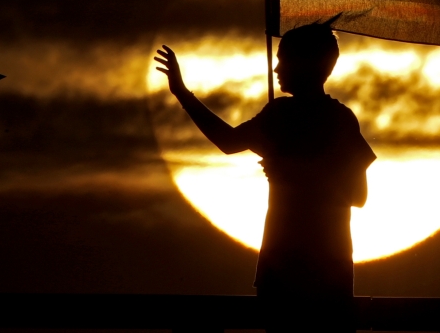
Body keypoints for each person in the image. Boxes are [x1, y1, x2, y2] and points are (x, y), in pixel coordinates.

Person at [154, 23, 375, 332]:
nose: (276, 68)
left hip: (307, 269)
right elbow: (229, 142)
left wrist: (292, 169)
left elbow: (357, 197)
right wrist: (181, 91)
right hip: (306, 266)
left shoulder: (318, 119)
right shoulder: (315, 116)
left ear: (307, 64)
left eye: (284, 60)